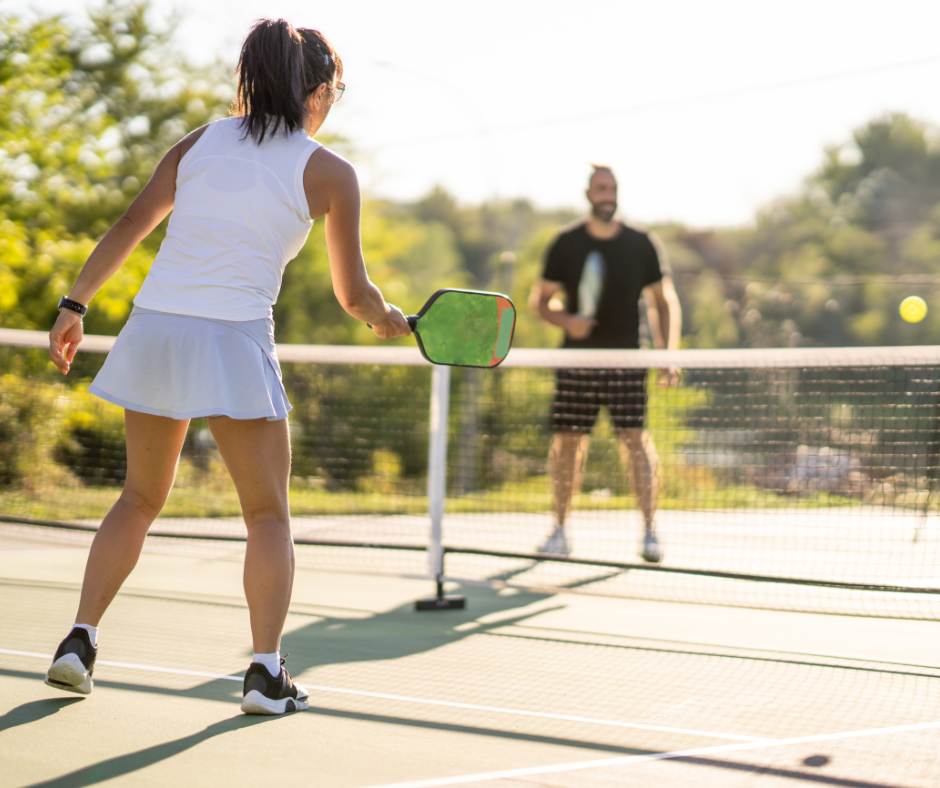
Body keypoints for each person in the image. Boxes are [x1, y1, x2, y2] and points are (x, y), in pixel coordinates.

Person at [43, 19, 410, 715]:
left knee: (138, 499)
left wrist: (74, 305)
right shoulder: (330, 171)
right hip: (234, 338)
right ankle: (266, 675)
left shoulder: (201, 141)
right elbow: (353, 296)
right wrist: (385, 317)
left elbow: (129, 224)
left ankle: (78, 640)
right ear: (321, 89)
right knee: (268, 515)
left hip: (155, 328)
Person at [530, 165, 681, 563]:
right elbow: (540, 301)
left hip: (627, 361)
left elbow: (664, 300)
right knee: (567, 444)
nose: (607, 195)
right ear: (588, 194)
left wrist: (669, 355)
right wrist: (567, 321)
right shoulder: (565, 243)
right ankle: (559, 531)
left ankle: (650, 533)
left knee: (636, 442)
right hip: (577, 362)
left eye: (612, 189)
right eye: (600, 189)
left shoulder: (641, 243)